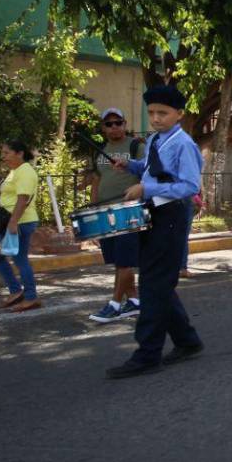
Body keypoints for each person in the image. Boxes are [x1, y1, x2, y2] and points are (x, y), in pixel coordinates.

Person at [105, 85, 205, 378]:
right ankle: (187, 341)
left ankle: (148, 354)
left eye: (163, 113)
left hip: (171, 215)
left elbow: (188, 185)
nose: (156, 118)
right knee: (156, 280)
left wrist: (146, 187)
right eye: (152, 112)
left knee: (152, 284)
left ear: (179, 114)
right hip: (153, 213)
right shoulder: (155, 140)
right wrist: (132, 166)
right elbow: (153, 170)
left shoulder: (184, 144)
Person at [86, 108, 146, 322]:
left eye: (118, 122)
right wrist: (93, 208)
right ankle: (134, 301)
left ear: (125, 123)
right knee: (117, 260)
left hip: (128, 210)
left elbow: (147, 174)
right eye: (109, 124)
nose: (114, 127)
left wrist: (138, 193)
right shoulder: (100, 149)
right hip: (104, 211)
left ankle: (113, 304)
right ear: (103, 127)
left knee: (124, 261)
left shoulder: (136, 146)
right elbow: (96, 179)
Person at [0, 139, 41, 313]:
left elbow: (23, 198)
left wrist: (13, 222)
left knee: (19, 259)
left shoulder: (25, 171)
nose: (3, 157)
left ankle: (31, 297)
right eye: (2, 153)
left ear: (19, 153)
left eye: (7, 153)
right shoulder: (15, 171)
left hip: (20, 222)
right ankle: (16, 291)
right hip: (12, 222)